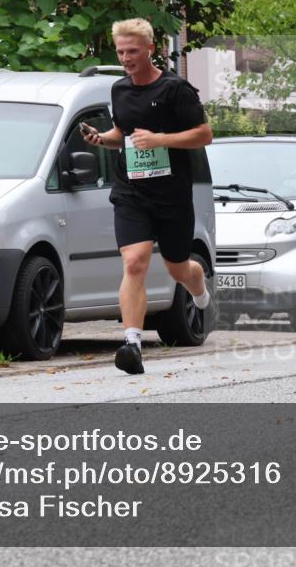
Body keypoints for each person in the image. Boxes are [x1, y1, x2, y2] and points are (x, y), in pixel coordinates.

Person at [82, 18, 213, 375]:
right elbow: (122, 134)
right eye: (121, 51)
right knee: (135, 261)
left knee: (178, 267)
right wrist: (102, 139)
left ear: (151, 49)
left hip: (171, 194)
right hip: (131, 191)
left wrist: (161, 140)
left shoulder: (176, 89)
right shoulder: (119, 90)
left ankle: (199, 287)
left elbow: (204, 135)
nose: (126, 58)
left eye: (133, 51)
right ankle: (132, 344)